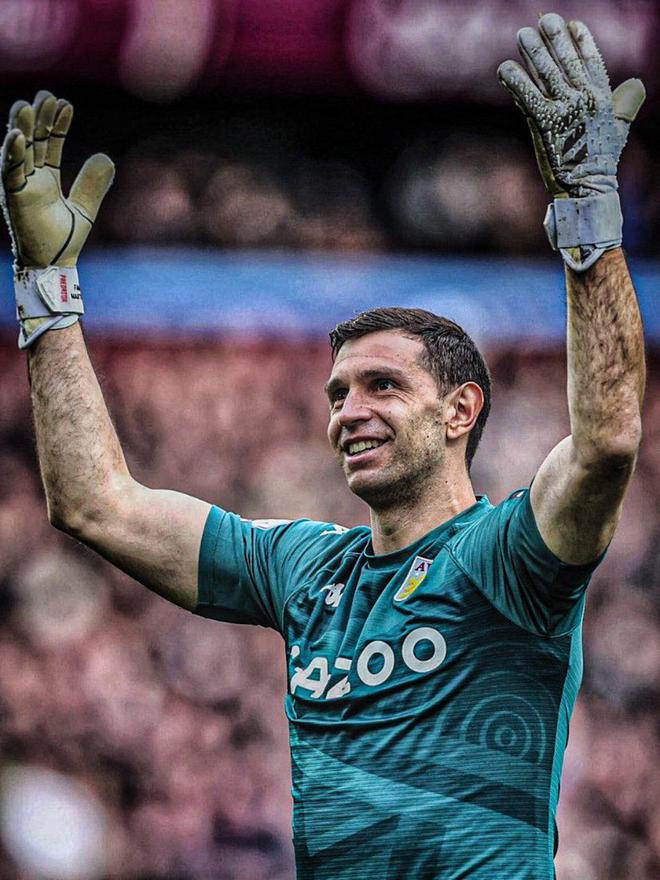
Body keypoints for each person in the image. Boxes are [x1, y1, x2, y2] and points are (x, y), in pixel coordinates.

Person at [0, 12, 646, 880]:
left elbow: (606, 443)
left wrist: (587, 216)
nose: (348, 412)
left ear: (461, 411)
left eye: (383, 386)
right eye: (339, 393)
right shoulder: (305, 572)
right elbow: (95, 503)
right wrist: (45, 290)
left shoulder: (511, 557)